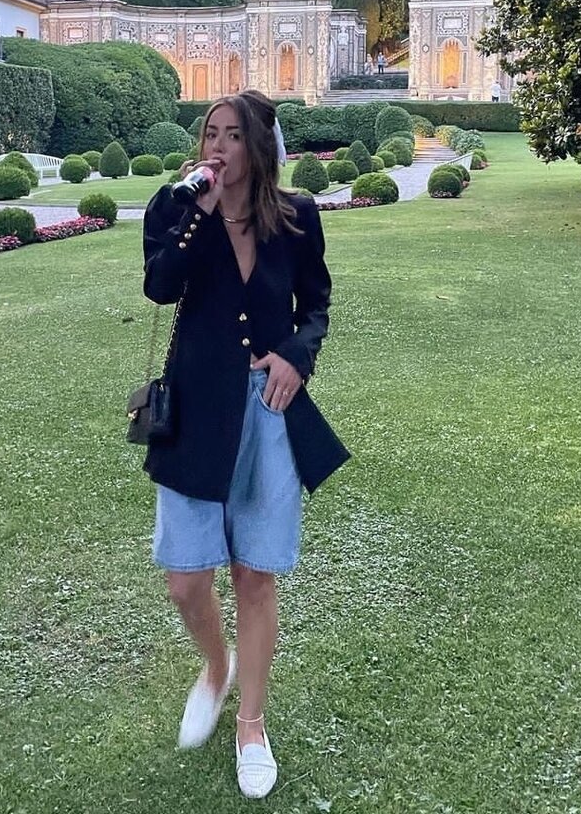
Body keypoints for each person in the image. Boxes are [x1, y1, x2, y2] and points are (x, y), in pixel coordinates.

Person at [142, 89, 350, 800]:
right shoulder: (175, 209)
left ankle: (251, 724)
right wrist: (194, 217)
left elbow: (315, 304)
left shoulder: (296, 217)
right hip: (196, 414)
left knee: (254, 576)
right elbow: (160, 288)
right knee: (184, 581)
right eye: (211, 134)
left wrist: (296, 355)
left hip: (267, 412)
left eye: (233, 136)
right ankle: (216, 665)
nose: (218, 147)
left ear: (258, 148)